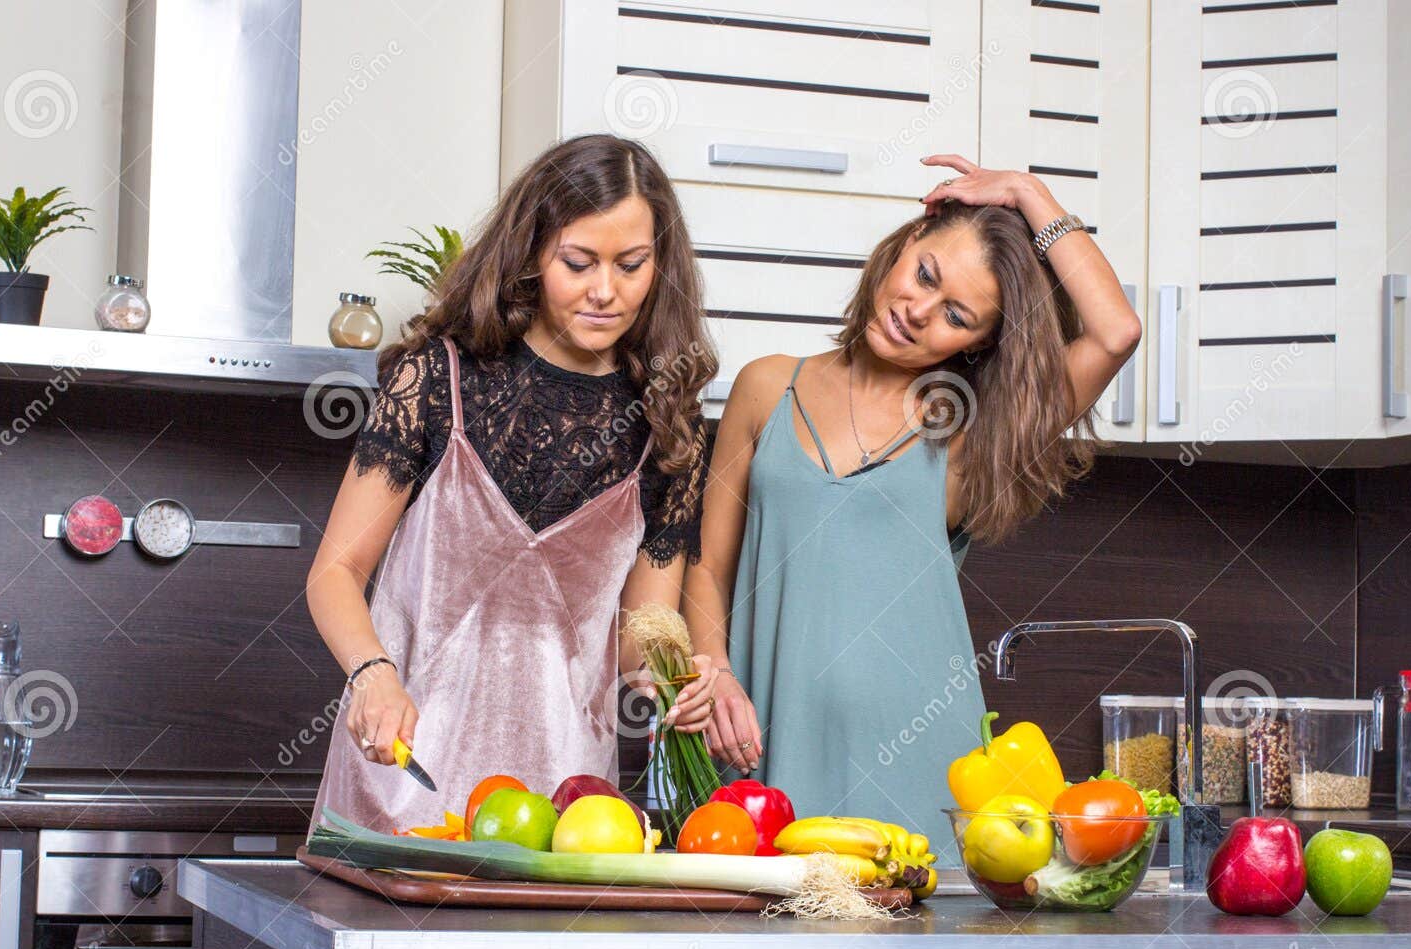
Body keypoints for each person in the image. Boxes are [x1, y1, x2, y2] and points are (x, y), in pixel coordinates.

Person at [683, 155, 1141, 856]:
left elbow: (1115, 333)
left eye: (956, 315)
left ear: (980, 343)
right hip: (764, 765)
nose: (917, 311)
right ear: (901, 247)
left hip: (920, 786)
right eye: (925, 274)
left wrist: (1030, 192)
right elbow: (708, 567)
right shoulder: (765, 388)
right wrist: (712, 670)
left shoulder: (969, 436)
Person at [307, 134, 721, 834]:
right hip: (405, 785)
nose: (605, 290)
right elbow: (336, 570)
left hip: (564, 806)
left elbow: (634, 634)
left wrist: (676, 670)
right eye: (578, 262)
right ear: (532, 253)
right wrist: (371, 671)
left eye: (631, 265)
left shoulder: (667, 423)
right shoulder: (439, 378)